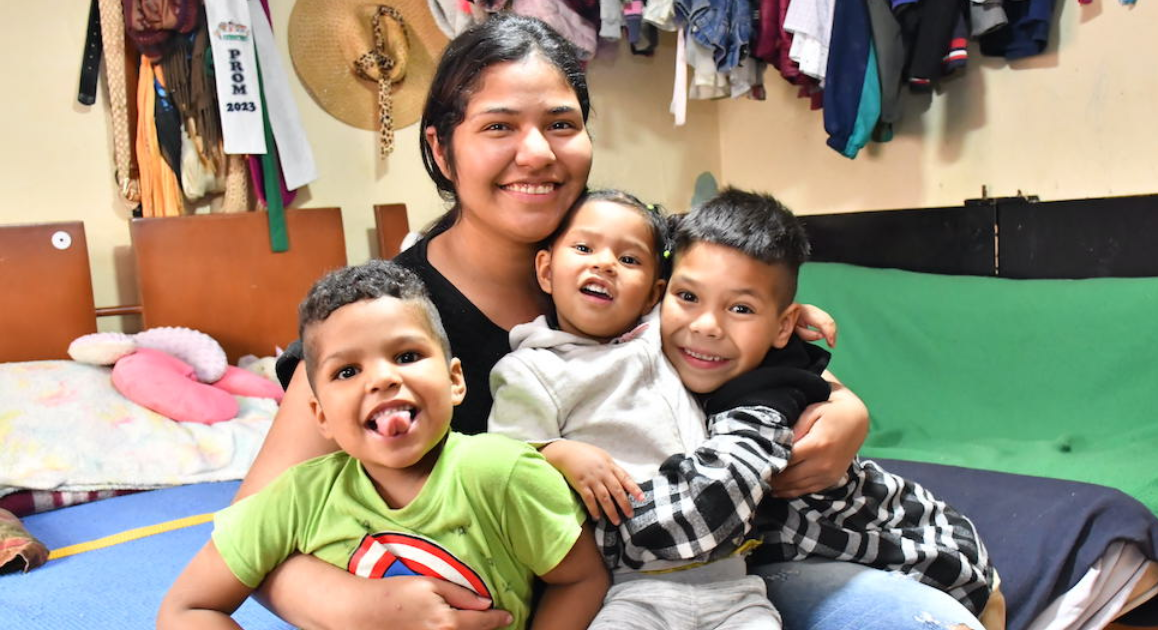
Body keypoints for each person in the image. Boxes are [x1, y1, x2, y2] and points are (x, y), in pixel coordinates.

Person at [238, 13, 949, 630]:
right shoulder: (389, 316)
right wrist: (351, 607)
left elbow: (755, 345)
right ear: (439, 150)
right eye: (498, 127)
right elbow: (251, 531)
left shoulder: (635, 254)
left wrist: (844, 406)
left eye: (561, 124)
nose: (538, 153)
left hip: (717, 575)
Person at [489, 187, 995, 629]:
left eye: (741, 309)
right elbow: (506, 454)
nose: (707, 325)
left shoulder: (751, 390)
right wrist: (558, 453)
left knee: (970, 603)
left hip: (879, 535)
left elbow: (702, 514)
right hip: (718, 564)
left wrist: (812, 358)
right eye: (688, 298)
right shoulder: (619, 343)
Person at [159, 261, 609, 630]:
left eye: (406, 356)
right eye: (348, 372)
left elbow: (582, 580)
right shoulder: (296, 498)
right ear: (320, 416)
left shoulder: (505, 475)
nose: (382, 378)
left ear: (455, 380)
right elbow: (186, 609)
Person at [487, 188, 807, 628]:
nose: (603, 263)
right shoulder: (530, 369)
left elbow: (726, 306)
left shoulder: (660, 334)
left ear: (654, 294)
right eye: (584, 248)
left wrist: (803, 317)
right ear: (545, 270)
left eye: (629, 260)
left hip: (733, 585)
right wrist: (556, 452)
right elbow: (502, 459)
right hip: (632, 587)